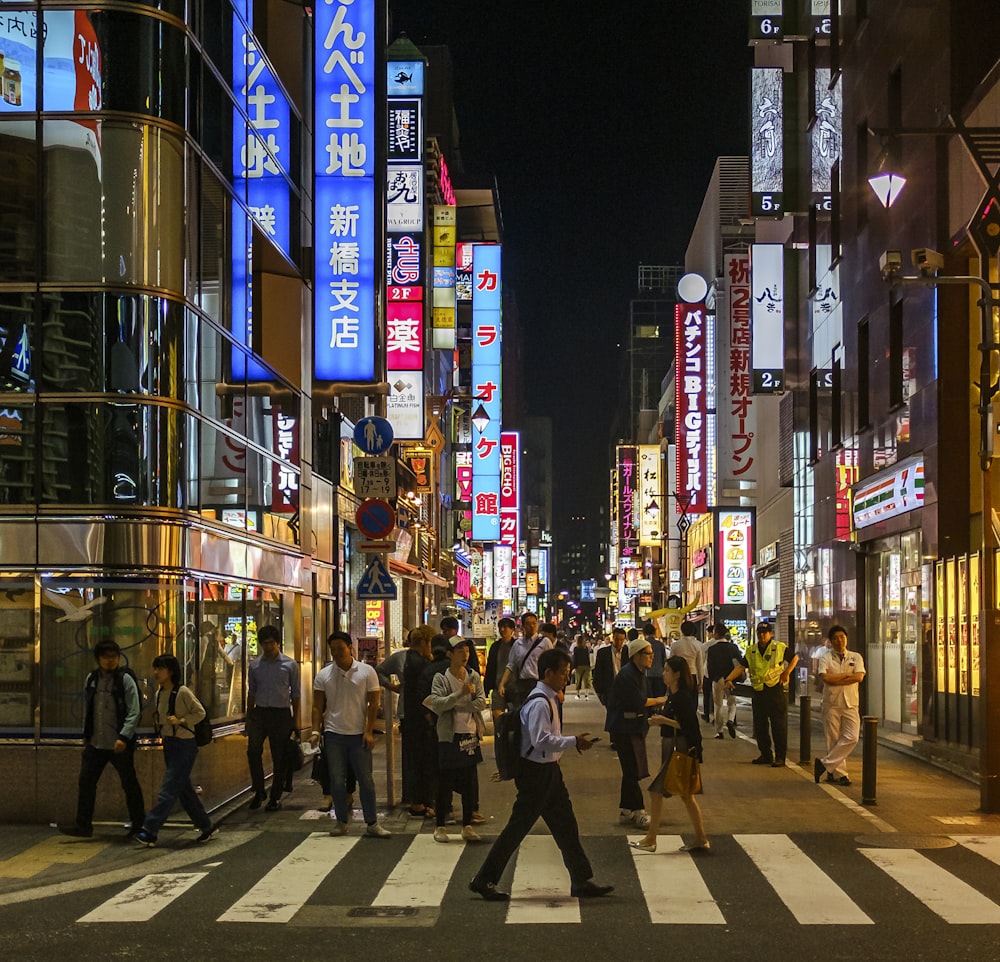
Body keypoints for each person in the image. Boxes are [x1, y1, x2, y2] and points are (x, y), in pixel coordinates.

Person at [469, 648, 614, 902]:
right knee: (517, 828)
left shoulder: (548, 697)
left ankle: (581, 879)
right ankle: (484, 879)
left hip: (549, 772)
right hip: (536, 774)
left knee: (566, 825)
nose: (566, 679)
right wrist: (573, 742)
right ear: (548, 673)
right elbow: (540, 740)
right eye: (563, 673)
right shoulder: (539, 702)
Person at [59, 639, 146, 840]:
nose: (110, 661)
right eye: (105, 657)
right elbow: (89, 709)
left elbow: (135, 711)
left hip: (119, 743)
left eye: (113, 656)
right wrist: (86, 735)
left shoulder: (125, 680)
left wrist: (124, 736)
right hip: (96, 743)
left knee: (129, 783)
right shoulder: (91, 679)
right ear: (98, 658)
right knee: (86, 782)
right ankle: (83, 826)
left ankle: (139, 825)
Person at [310, 631, 391, 837]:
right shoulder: (324, 674)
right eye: (333, 649)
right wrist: (315, 730)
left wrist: (369, 731)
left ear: (350, 648)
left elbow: (374, 703)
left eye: (340, 648)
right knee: (337, 780)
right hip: (333, 734)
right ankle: (341, 822)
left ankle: (372, 823)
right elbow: (317, 706)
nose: (337, 652)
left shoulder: (366, 672)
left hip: (358, 735)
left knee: (366, 780)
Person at [134, 655, 216, 847]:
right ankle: (206, 826)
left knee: (169, 789)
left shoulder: (182, 692)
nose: (155, 672)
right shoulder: (159, 693)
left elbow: (200, 712)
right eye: (155, 668)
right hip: (170, 744)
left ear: (170, 671)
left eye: (159, 669)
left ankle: (150, 830)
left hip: (185, 744)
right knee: (183, 790)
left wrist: (182, 721)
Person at [630, 655, 709, 853]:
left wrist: (663, 721)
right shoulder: (673, 694)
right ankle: (700, 838)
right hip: (673, 748)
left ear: (676, 674)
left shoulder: (681, 696)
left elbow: (688, 725)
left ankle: (651, 838)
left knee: (657, 791)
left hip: (678, 748)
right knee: (686, 795)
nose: (663, 673)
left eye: (667, 670)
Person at [426, 636, 487, 842]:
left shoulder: (473, 676)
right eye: (460, 651)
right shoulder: (441, 678)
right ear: (450, 654)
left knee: (469, 783)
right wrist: (459, 695)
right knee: (445, 781)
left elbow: (480, 703)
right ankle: (440, 826)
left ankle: (467, 825)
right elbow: (438, 704)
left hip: (470, 734)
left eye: (467, 651)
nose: (465, 654)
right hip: (448, 736)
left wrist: (459, 703)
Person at [605, 636, 668, 829]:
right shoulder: (627, 675)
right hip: (625, 728)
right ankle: (638, 810)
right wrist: (658, 700)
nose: (651, 657)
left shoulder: (639, 673)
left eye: (652, 654)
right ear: (636, 655)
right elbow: (638, 701)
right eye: (648, 654)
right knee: (632, 769)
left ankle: (626, 809)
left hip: (633, 727)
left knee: (631, 769)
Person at [246, 624, 300, 812]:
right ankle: (259, 790)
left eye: (271, 643)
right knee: (253, 751)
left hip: (281, 713)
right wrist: (248, 716)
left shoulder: (289, 664)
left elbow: (296, 695)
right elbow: (251, 692)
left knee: (280, 757)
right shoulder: (255, 665)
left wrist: (296, 721)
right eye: (265, 644)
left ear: (278, 643)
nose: (268, 647)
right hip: (260, 712)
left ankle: (274, 796)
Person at [814, 625, 866, 786]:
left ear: (846, 638)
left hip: (851, 703)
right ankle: (840, 774)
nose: (839, 641)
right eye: (835, 638)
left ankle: (825, 765)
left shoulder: (856, 657)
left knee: (852, 737)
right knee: (834, 739)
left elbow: (859, 677)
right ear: (830, 641)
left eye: (842, 637)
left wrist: (837, 677)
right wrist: (845, 676)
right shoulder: (826, 657)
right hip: (832, 703)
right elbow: (826, 678)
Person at [743, 622, 799, 767]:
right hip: (759, 692)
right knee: (760, 726)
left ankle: (780, 757)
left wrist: (787, 672)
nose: (762, 635)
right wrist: (729, 679)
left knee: (778, 725)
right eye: (760, 632)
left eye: (765, 632)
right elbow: (742, 666)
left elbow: (794, 658)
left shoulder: (779, 647)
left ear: (771, 633)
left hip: (775, 691)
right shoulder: (751, 650)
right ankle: (765, 754)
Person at [402, 625, 435, 816]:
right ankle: (421, 801)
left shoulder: (410, 659)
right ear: (424, 642)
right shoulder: (420, 663)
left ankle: (418, 800)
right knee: (423, 761)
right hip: (420, 720)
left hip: (412, 717)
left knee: (416, 760)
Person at [497, 612, 553, 709]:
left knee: (537, 712)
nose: (531, 626)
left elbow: (552, 664)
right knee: (522, 713)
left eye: (534, 623)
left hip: (539, 684)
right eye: (528, 624)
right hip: (522, 685)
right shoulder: (518, 644)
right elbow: (510, 666)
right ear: (523, 626)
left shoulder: (545, 642)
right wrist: (502, 684)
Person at [705, 624, 745, 739]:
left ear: (716, 634)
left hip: (718, 679)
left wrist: (712, 678)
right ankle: (731, 720)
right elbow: (741, 662)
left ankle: (719, 731)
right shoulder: (733, 647)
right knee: (732, 703)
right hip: (731, 679)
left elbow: (710, 666)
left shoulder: (712, 649)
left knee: (718, 705)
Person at [484, 617, 517, 720]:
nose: (502, 630)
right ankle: (499, 736)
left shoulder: (517, 646)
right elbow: (490, 667)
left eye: (505, 627)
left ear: (512, 630)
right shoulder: (495, 646)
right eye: (500, 627)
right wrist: (487, 687)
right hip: (497, 687)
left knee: (514, 718)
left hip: (514, 688)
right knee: (497, 717)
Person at [670, 622, 705, 699]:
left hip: (678, 675)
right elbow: (699, 664)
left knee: (679, 698)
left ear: (681, 630)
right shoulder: (696, 645)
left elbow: (670, 663)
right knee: (692, 699)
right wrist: (701, 680)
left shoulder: (675, 645)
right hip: (692, 674)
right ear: (693, 632)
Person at [593, 626, 627, 706]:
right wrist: (599, 691)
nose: (619, 642)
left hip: (624, 688)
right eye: (616, 639)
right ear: (613, 638)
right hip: (609, 688)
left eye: (621, 640)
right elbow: (598, 672)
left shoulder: (628, 653)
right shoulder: (603, 653)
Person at [641, 622, 668, 699]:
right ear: (654, 632)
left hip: (646, 675)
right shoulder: (660, 644)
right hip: (659, 674)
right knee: (658, 697)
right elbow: (664, 660)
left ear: (644, 633)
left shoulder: (643, 644)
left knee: (648, 698)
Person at [571, 635, 593, 699]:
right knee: (587, 680)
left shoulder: (576, 648)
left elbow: (575, 658)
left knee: (578, 680)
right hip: (586, 666)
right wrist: (589, 666)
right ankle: (586, 694)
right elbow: (587, 658)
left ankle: (578, 694)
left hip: (578, 666)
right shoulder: (585, 648)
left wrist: (574, 667)